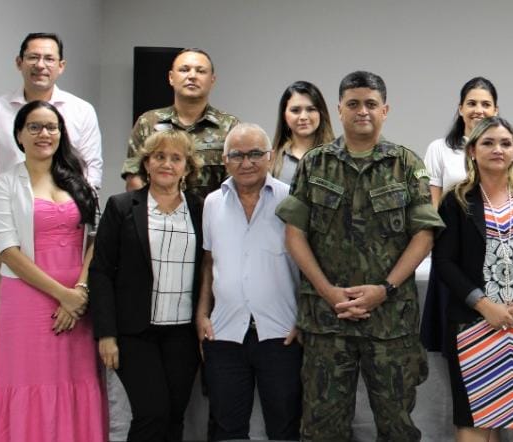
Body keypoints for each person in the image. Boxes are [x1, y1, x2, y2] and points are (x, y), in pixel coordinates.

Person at [276, 70, 444, 441]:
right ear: (339, 110)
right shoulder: (315, 164)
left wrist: (384, 288)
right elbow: (294, 234)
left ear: (385, 109)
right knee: (322, 428)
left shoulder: (406, 164)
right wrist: (327, 291)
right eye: (353, 104)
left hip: (389, 321)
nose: (362, 111)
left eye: (370, 104)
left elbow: (424, 235)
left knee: (397, 426)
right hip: (327, 320)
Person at [430, 116, 513, 442]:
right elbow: (444, 262)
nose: (497, 149)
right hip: (474, 325)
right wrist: (483, 304)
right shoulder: (456, 199)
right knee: (475, 418)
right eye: (488, 143)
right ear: (472, 150)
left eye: (505, 143)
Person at [0, 101, 104, 441]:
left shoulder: (79, 182)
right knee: (27, 383)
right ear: (19, 135)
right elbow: (7, 251)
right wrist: (62, 295)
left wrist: (79, 291)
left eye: (51, 126)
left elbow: (97, 237)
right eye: (33, 127)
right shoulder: (5, 185)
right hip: (28, 301)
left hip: (79, 301)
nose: (43, 134)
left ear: (61, 133)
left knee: (75, 380)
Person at [90, 130, 205, 442]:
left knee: (174, 415)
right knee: (151, 413)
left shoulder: (201, 209)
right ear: (146, 163)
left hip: (182, 333)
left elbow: (208, 268)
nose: (167, 163)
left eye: (176, 158)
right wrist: (106, 333)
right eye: (159, 157)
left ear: (187, 167)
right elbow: (100, 272)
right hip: (135, 332)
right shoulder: (121, 207)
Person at [0, 32, 102, 314]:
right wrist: (12, 227)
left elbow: (92, 173)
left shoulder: (81, 111)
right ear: (19, 62)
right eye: (33, 57)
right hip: (9, 237)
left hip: (69, 236)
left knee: (73, 319)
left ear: (61, 66)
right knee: (11, 321)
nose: (40, 64)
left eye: (49, 58)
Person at [195, 123, 301, 440]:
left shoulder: (291, 201)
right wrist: (202, 314)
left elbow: (308, 264)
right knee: (227, 428)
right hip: (224, 332)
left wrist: (304, 318)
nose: (246, 162)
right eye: (237, 155)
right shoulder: (212, 203)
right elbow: (208, 262)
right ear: (225, 160)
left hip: (282, 332)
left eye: (255, 153)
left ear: (269, 156)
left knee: (285, 427)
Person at [122, 47, 239, 200]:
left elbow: (235, 182)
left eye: (201, 71)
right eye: (184, 70)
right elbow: (134, 177)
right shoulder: (148, 122)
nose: (192, 76)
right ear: (171, 77)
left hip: (209, 219)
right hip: (156, 218)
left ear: (212, 80)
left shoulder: (229, 127)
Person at [425, 77, 499, 205]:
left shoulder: (510, 151)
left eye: (486, 105)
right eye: (471, 103)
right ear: (460, 109)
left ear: (495, 111)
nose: (478, 110)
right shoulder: (438, 149)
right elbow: (433, 205)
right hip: (450, 224)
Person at [270, 81, 335, 184]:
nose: (303, 117)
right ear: (284, 115)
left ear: (321, 113)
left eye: (311, 109)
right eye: (295, 110)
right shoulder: (272, 160)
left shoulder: (339, 157)